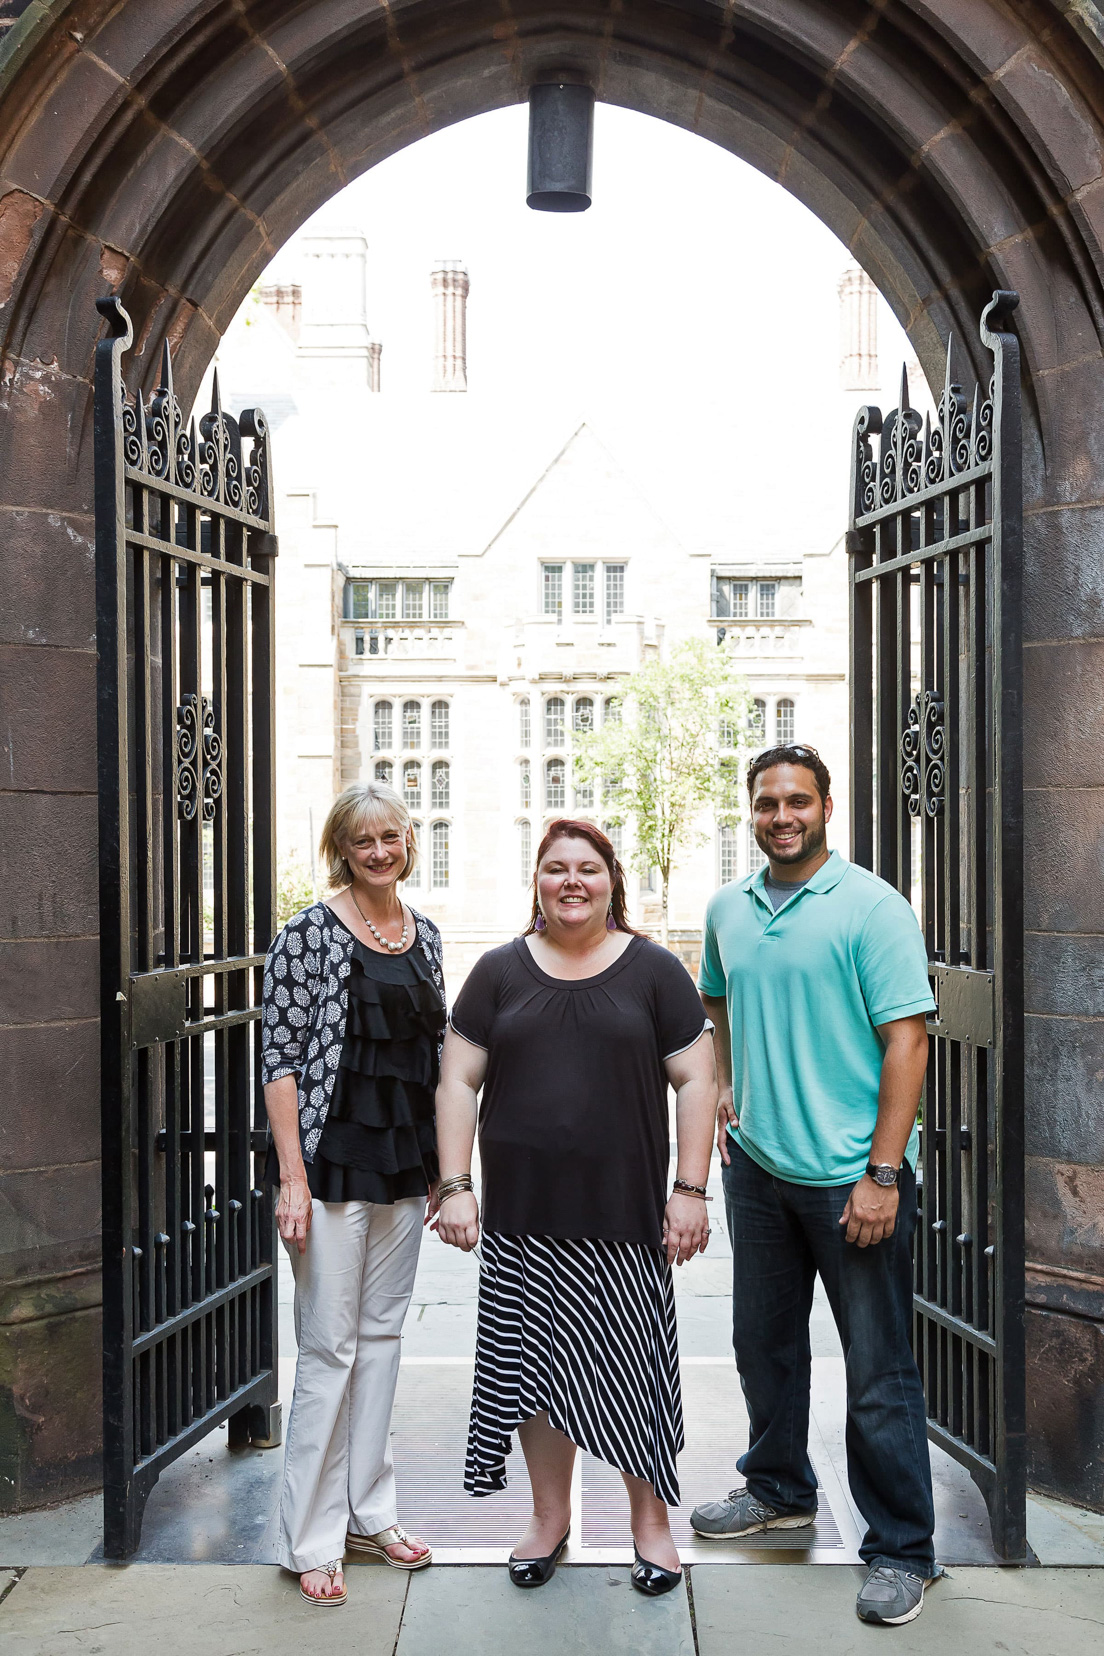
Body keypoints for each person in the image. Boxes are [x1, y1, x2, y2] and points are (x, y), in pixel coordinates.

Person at [691, 744, 940, 1628]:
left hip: (852, 1180)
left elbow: (908, 1042)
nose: (781, 816)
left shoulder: (872, 908)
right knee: (763, 1347)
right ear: (751, 812)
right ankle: (779, 1488)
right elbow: (716, 1003)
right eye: (766, 803)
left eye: (798, 801)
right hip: (757, 1168)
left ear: (826, 807)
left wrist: (882, 1174)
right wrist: (725, 1084)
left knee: (876, 1373)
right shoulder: (729, 907)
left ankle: (904, 1550)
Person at [434, 819, 717, 1596]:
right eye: (555, 868)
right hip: (524, 1221)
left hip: (623, 1219)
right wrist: (456, 1184)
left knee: (632, 1377)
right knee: (533, 1375)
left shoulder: (654, 970)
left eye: (586, 869)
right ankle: (548, 1519)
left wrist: (689, 1191)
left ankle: (650, 1526)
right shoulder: (497, 972)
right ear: (536, 881)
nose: (571, 881)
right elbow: (457, 1080)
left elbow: (698, 1081)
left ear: (610, 880)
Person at [261, 782, 443, 1605]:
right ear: (343, 848)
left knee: (380, 1341)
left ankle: (372, 1512)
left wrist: (448, 1168)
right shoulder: (306, 933)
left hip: (404, 1165)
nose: (379, 851)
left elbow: (438, 1060)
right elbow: (282, 1062)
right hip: (331, 1165)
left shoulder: (426, 934)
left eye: (391, 837)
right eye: (363, 840)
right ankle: (311, 1536)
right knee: (329, 1349)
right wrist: (291, 1178)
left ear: (409, 840)